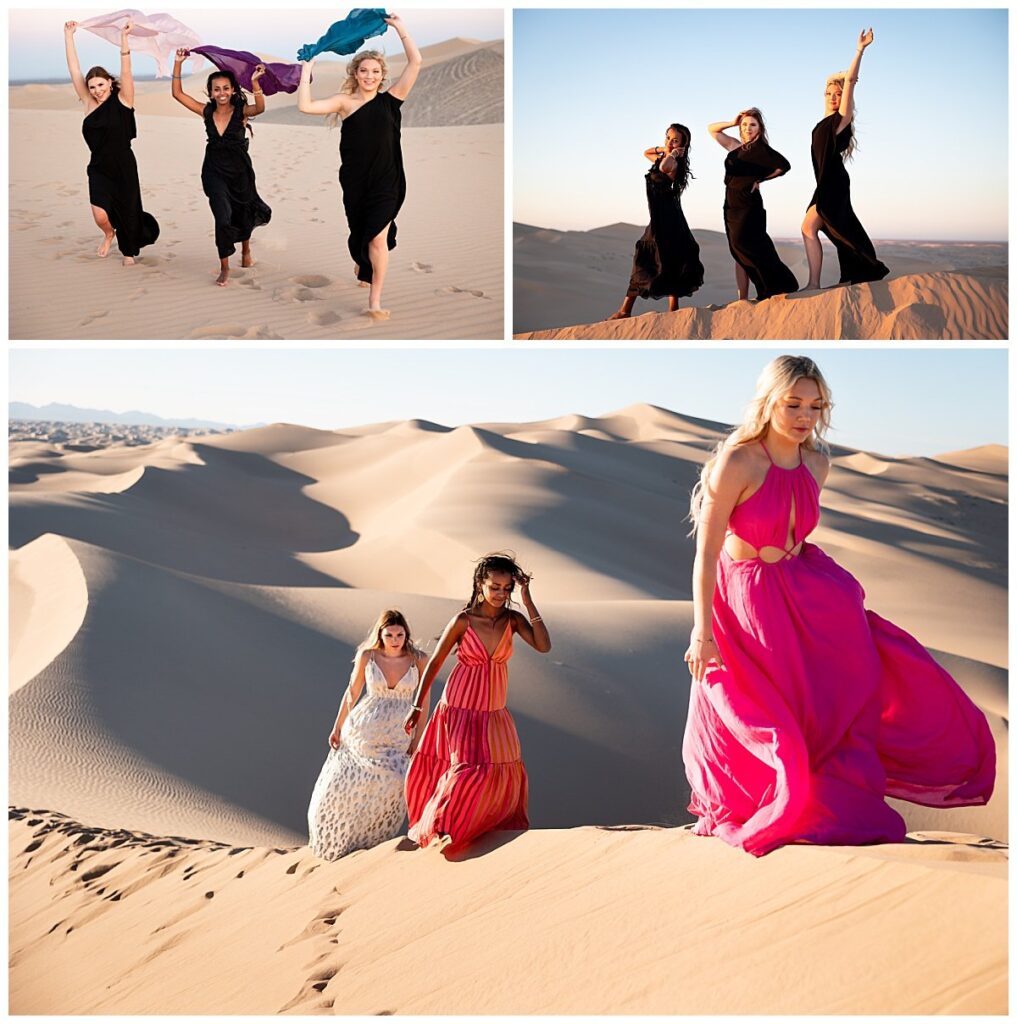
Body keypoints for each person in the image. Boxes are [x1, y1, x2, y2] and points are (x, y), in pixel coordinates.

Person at [682, 355, 995, 856]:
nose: (804, 415)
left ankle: (816, 800)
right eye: (793, 404)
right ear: (769, 402)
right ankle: (765, 803)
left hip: (806, 592)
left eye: (815, 405)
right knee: (765, 707)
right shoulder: (740, 461)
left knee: (844, 688)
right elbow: (706, 553)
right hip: (748, 598)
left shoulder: (817, 463)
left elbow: (796, 534)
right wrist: (703, 631)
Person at [403, 553, 551, 853]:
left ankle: (479, 827)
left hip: (493, 711)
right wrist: (417, 706)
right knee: (467, 768)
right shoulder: (463, 620)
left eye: (507, 588)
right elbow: (435, 662)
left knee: (501, 768)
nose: (500, 594)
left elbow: (543, 646)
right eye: (494, 586)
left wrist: (527, 598)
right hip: (460, 707)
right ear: (480, 584)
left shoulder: (513, 619)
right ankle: (442, 828)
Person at [297, 14, 422, 320]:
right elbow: (306, 106)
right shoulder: (344, 102)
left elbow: (415, 62)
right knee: (361, 235)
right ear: (355, 73)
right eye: (364, 70)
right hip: (355, 181)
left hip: (388, 180)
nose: (369, 76)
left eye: (375, 71)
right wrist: (307, 69)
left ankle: (374, 300)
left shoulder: (392, 99)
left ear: (382, 76)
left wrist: (399, 28)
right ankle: (364, 263)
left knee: (378, 237)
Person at [307, 610, 430, 861]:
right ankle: (338, 840)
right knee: (352, 785)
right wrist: (337, 727)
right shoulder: (368, 656)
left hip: (400, 732)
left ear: (406, 634)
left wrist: (418, 739)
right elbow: (352, 692)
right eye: (389, 634)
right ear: (380, 634)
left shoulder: (419, 659)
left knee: (395, 782)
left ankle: (371, 842)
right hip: (366, 729)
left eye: (399, 634)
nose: (395, 639)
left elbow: (425, 701)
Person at [171, 50, 271, 286]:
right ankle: (224, 266)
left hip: (240, 172)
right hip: (213, 172)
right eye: (217, 89)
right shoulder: (206, 111)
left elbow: (260, 108)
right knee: (222, 216)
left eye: (226, 88)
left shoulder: (241, 112)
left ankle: (246, 250)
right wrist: (177, 63)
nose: (222, 92)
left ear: (233, 90)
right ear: (211, 92)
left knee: (242, 210)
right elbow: (177, 94)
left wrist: (255, 83)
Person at [63, 19, 159, 264]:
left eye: (100, 84)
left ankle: (128, 252)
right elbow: (74, 69)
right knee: (99, 215)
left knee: (128, 210)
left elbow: (126, 71)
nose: (96, 90)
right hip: (99, 167)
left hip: (124, 165)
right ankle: (109, 233)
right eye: (92, 86)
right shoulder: (88, 104)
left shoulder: (124, 100)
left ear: (109, 83)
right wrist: (69, 36)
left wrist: (124, 41)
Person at [801, 29, 889, 289]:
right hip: (825, 181)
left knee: (811, 227)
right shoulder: (824, 122)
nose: (833, 96)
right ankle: (833, 279)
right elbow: (836, 81)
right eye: (828, 94)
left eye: (836, 94)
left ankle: (814, 284)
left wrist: (859, 51)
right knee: (823, 229)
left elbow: (849, 82)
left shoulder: (841, 119)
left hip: (833, 182)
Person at [606, 123, 704, 320]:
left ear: (683, 145)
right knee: (648, 259)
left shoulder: (673, 163)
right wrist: (664, 148)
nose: (669, 142)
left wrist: (674, 153)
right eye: (667, 137)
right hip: (659, 219)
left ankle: (632, 310)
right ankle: (626, 310)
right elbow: (646, 152)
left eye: (675, 140)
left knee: (667, 260)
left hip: (670, 220)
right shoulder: (663, 156)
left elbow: (664, 167)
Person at [709, 108, 799, 301]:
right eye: (744, 124)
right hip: (730, 203)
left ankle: (778, 286)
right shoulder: (735, 147)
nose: (748, 128)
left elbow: (784, 166)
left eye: (752, 124)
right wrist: (733, 121)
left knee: (749, 246)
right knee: (737, 249)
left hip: (749, 205)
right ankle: (743, 298)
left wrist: (761, 179)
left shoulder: (762, 151)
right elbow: (712, 130)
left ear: (760, 128)